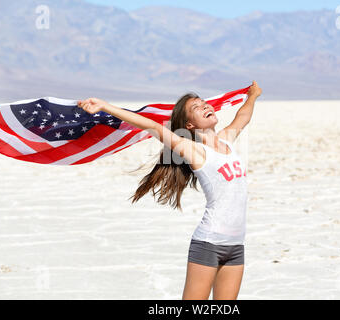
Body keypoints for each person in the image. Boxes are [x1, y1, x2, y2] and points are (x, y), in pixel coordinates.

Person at [78, 81, 262, 300]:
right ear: (190, 125)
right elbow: (154, 128)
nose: (205, 106)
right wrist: (106, 107)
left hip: (235, 246)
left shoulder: (227, 142)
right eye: (197, 107)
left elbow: (243, 117)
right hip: (209, 244)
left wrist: (252, 96)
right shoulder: (194, 151)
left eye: (204, 103)